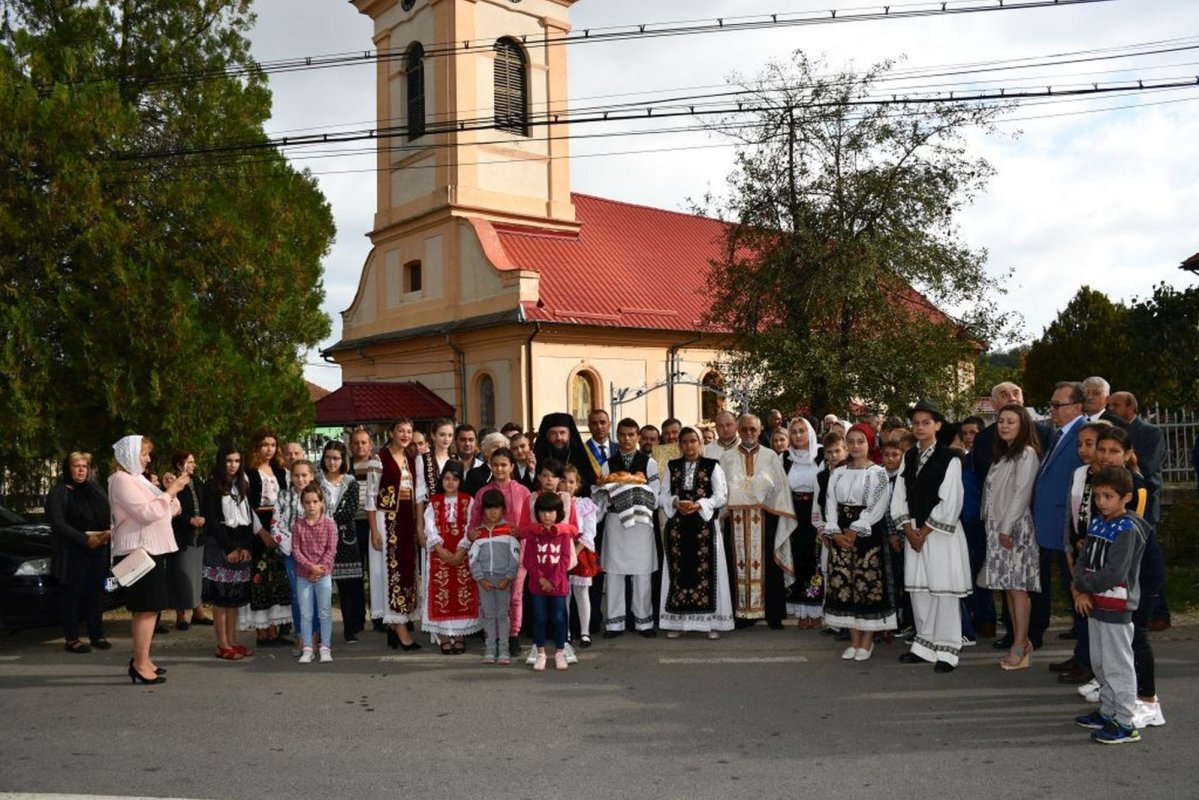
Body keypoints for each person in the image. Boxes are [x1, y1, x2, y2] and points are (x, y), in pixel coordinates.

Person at [1090, 427, 1167, 729]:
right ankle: (1112, 701)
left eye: (1114, 451)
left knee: (1136, 638)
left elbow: (1133, 536)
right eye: (1102, 449)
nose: (1107, 456)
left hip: (1141, 573)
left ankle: (1149, 701)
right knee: (1111, 646)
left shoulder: (1136, 486)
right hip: (1112, 574)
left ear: (1128, 454)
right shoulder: (1098, 482)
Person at [891, 400, 972, 673]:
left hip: (939, 533)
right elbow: (899, 495)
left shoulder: (950, 458)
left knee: (943, 590)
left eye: (926, 422)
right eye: (916, 423)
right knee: (920, 589)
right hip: (914, 529)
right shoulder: (909, 456)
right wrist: (907, 529)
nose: (920, 427)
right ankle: (924, 643)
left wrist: (923, 532)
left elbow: (951, 500)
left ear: (938, 425)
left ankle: (948, 649)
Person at [1071, 466, 1149, 745]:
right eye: (1098, 496)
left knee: (1118, 664)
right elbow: (1083, 559)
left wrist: (1084, 587)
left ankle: (1126, 722)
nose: (1101, 502)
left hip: (1116, 605)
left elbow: (1115, 572)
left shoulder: (1127, 528)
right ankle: (1108, 709)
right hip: (1095, 603)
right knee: (1100, 662)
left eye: (1108, 496)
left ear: (1126, 497)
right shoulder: (1098, 523)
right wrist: (1079, 585)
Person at [109, 435, 187, 684]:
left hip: (151, 549)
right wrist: (170, 491)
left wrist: (168, 492)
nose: (149, 459)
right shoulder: (121, 480)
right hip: (138, 551)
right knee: (145, 609)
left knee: (151, 608)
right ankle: (140, 664)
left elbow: (173, 510)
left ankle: (143, 659)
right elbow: (147, 513)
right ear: (130, 455)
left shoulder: (136, 479)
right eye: (144, 454)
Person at [822, 423, 896, 661]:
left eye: (860, 441)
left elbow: (877, 505)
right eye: (851, 441)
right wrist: (834, 531)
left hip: (867, 534)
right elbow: (830, 502)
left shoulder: (878, 473)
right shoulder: (838, 472)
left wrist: (855, 530)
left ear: (869, 444)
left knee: (866, 586)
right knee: (845, 586)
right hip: (840, 532)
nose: (855, 446)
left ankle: (867, 641)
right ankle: (854, 640)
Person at [976, 404, 1042, 670]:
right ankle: (1020, 641)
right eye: (1001, 421)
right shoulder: (1003, 455)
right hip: (997, 528)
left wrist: (1005, 528)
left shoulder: (1026, 454)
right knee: (1008, 588)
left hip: (1013, 529)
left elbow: (1021, 493)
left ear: (1023, 425)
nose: (1004, 425)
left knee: (1017, 589)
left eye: (1011, 422)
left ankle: (1020, 644)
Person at [720, 414, 797, 629]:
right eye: (744, 429)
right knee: (735, 566)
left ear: (760, 429)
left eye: (752, 429)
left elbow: (781, 489)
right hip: (735, 520)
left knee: (770, 567)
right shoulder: (727, 458)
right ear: (738, 430)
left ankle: (773, 614)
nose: (748, 434)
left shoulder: (771, 456)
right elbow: (722, 490)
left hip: (765, 519)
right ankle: (742, 615)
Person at [658, 427, 732, 638]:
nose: (689, 446)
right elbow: (662, 495)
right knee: (679, 572)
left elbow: (721, 496)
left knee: (709, 572)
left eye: (693, 441)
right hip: (678, 530)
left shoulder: (712, 466)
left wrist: (699, 504)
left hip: (704, 527)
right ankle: (678, 623)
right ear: (679, 445)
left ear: (701, 444)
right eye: (685, 442)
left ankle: (711, 623)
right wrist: (674, 502)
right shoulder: (673, 466)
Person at [1030, 382, 1087, 651]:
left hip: (1069, 527)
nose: (1051, 409)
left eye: (1057, 405)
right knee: (1068, 586)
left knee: (1078, 587)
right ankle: (1081, 654)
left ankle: (1085, 657)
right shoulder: (1059, 433)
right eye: (1050, 404)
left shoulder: (1082, 434)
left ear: (1077, 407)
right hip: (1050, 525)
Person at [1106, 391, 1168, 630]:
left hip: (1143, 503)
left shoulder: (1151, 432)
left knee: (1147, 556)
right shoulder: (1112, 432)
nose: (1111, 409)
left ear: (1131, 408)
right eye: (1109, 405)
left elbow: (1149, 466)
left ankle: (1158, 612)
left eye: (1116, 405)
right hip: (1119, 503)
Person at [593, 418, 660, 638]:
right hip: (615, 522)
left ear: (638, 437)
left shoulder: (649, 463)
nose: (627, 439)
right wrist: (604, 493)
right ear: (617, 436)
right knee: (614, 573)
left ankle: (644, 622)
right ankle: (615, 623)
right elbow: (601, 498)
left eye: (631, 435)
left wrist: (632, 490)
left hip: (641, 523)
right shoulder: (608, 464)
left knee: (642, 573)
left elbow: (656, 495)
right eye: (622, 435)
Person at [467, 446, 532, 652]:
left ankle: (512, 635)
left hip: (517, 551)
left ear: (512, 466)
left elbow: (529, 523)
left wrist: (520, 531)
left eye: (504, 465)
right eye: (495, 465)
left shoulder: (523, 491)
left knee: (514, 595)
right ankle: (493, 636)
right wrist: (472, 533)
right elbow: (474, 521)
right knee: (492, 595)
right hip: (490, 553)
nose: (500, 469)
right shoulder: (483, 492)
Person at [46, 451, 112, 653]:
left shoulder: (96, 489)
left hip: (98, 548)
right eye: (77, 466)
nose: (81, 469)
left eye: (85, 466)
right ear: (68, 468)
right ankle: (72, 639)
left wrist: (108, 532)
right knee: (71, 595)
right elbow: (57, 523)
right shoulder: (59, 492)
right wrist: (85, 539)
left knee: (95, 594)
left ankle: (97, 635)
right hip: (73, 551)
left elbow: (109, 512)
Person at [370, 419, 422, 650]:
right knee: (389, 571)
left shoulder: (412, 460)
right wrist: (374, 530)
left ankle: (396, 626)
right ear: (391, 433)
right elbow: (371, 497)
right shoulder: (379, 459)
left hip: (407, 521)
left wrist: (418, 524)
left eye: (409, 431)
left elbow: (418, 494)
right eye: (400, 430)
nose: (405, 434)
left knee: (406, 570)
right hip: (386, 519)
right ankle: (399, 628)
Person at [203, 443, 256, 661]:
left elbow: (249, 517)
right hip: (220, 544)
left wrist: (246, 547)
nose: (233, 465)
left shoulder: (243, 483)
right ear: (221, 461)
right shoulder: (212, 485)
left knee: (234, 596)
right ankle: (221, 643)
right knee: (221, 597)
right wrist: (228, 548)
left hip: (239, 542)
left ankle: (232, 641)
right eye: (228, 461)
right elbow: (213, 521)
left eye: (236, 461)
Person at [422, 461, 481, 654]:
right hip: (439, 555)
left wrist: (462, 550)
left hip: (462, 554)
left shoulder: (468, 500)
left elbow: (471, 526)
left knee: (462, 592)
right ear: (442, 479)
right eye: (446, 478)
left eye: (455, 479)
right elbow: (429, 526)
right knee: (442, 593)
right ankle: (445, 636)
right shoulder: (434, 501)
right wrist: (440, 549)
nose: (450, 482)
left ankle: (461, 636)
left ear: (460, 481)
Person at [242, 428, 291, 646]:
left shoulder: (281, 472)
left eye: (273, 445)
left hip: (278, 525)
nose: (269, 449)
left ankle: (274, 631)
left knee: (277, 579)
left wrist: (281, 530)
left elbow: (287, 501)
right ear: (256, 447)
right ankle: (262, 632)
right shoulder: (248, 473)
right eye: (264, 445)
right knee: (260, 578)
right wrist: (261, 532)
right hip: (258, 528)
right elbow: (245, 505)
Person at [520, 492, 578, 671]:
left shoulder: (563, 534)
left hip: (558, 585)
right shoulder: (532, 533)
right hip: (538, 585)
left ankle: (560, 652)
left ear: (558, 513)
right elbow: (528, 560)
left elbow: (565, 560)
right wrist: (541, 579)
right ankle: (541, 653)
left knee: (559, 618)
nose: (547, 515)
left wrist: (552, 579)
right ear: (537, 513)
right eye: (543, 511)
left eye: (551, 511)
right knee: (539, 617)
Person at [318, 442, 364, 644]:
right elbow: (312, 506)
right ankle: (320, 630)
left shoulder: (351, 482)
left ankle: (350, 629)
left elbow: (349, 511)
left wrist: (326, 518)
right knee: (322, 587)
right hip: (319, 539)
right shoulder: (316, 481)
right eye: (328, 457)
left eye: (336, 458)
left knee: (348, 587)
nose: (332, 462)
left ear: (343, 459)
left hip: (346, 539)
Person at [469, 490, 520, 664]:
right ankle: (490, 649)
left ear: (503, 509)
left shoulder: (509, 531)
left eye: (496, 508)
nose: (492, 512)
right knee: (489, 615)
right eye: (489, 508)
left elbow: (515, 558)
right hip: (484, 581)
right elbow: (473, 559)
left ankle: (504, 650)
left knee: (503, 616)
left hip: (503, 580)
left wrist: (508, 577)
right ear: (483, 510)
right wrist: (480, 578)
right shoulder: (478, 533)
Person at [274, 459, 319, 656]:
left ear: (312, 476)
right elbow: (276, 525)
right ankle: (301, 636)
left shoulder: (318, 496)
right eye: (296, 475)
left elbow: (327, 523)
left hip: (315, 555)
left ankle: (315, 637)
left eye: (304, 475)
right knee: (297, 596)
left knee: (315, 596)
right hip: (292, 554)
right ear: (290, 477)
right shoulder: (284, 496)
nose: (300, 479)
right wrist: (293, 547)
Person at [782, 418, 823, 627]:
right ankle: (801, 611)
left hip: (815, 512)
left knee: (814, 560)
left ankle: (815, 610)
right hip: (794, 513)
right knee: (797, 559)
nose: (798, 435)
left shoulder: (821, 455)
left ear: (810, 433)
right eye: (794, 432)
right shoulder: (785, 458)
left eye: (802, 431)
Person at [291, 484, 337, 664]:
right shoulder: (298, 526)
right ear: (302, 504)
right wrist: (311, 568)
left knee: (325, 612)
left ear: (321, 503)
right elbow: (296, 550)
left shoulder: (329, 525)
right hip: (303, 576)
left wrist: (319, 570)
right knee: (306, 613)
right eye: (307, 502)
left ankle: (325, 647)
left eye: (315, 502)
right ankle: (308, 648)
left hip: (323, 575)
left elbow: (331, 550)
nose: (311, 506)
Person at [164, 451, 208, 631]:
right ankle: (181, 615)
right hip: (181, 536)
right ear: (179, 465)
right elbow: (169, 510)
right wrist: (189, 520)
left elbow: (204, 503)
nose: (193, 465)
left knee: (197, 574)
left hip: (199, 536)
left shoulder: (197, 481)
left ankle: (198, 611)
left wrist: (204, 518)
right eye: (190, 462)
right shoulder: (173, 484)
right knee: (181, 575)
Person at [562, 464, 600, 647]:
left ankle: (585, 632)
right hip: (559, 551)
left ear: (577, 484)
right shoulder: (552, 503)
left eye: (571, 481)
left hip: (579, 550)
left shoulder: (585, 504)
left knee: (582, 592)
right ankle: (566, 632)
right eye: (563, 481)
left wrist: (574, 553)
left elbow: (589, 532)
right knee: (564, 593)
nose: (567, 485)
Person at [349, 428, 381, 632]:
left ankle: (379, 617)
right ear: (350, 446)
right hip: (352, 526)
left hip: (374, 525)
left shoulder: (377, 465)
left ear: (370, 444)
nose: (360, 446)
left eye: (364, 442)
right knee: (355, 574)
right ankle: (357, 619)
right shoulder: (346, 467)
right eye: (356, 443)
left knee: (376, 573)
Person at [462, 431, 508, 498]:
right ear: (485, 451)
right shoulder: (474, 474)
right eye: (496, 447)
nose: (500, 450)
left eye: (503, 447)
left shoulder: (510, 473)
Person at [585, 409, 618, 478]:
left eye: (602, 422)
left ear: (609, 424)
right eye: (594, 423)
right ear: (589, 427)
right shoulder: (582, 450)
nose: (599, 427)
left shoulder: (619, 449)